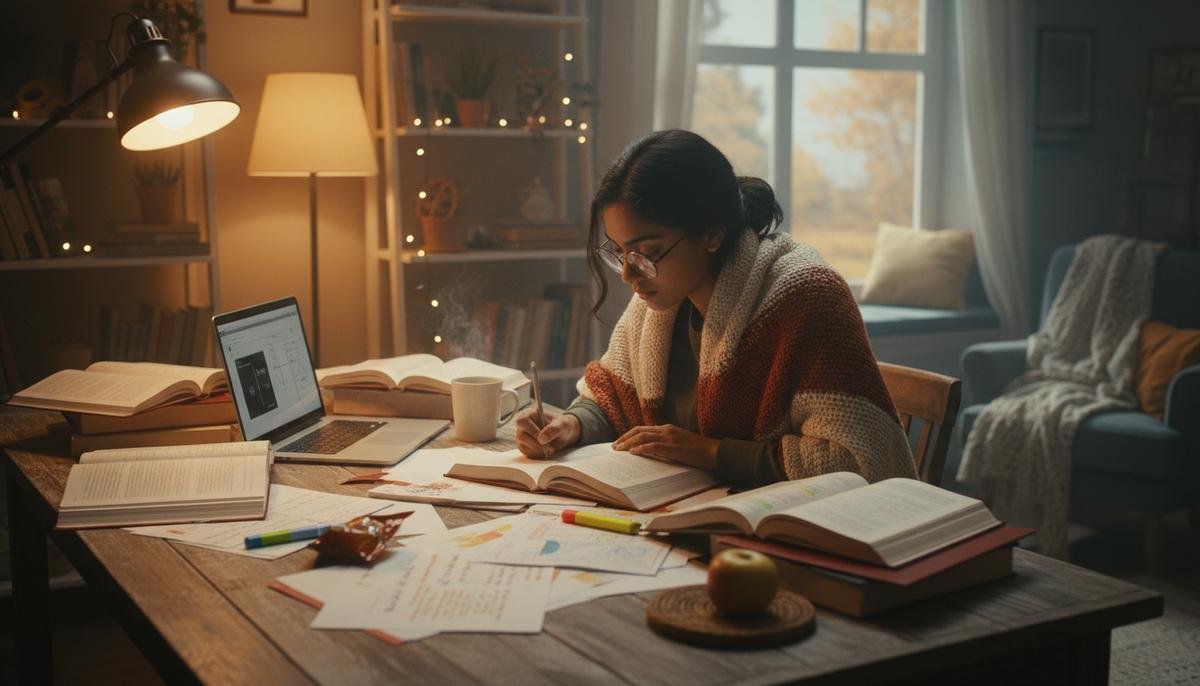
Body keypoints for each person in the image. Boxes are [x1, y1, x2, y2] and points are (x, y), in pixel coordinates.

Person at [515, 130, 915, 488]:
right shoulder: (657, 306)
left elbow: (860, 462)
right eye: (619, 252)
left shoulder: (806, 297)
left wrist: (709, 453)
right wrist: (570, 425)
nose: (627, 275)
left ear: (711, 233)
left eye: (648, 253)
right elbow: (612, 398)